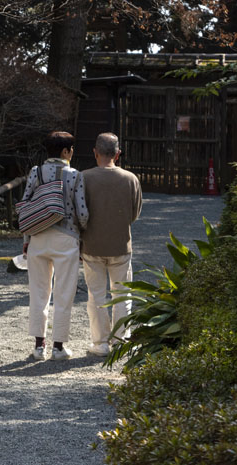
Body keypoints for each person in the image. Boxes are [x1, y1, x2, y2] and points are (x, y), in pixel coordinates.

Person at [23, 130, 88, 361]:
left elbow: (27, 205)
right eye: (71, 149)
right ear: (65, 151)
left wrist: (27, 240)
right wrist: (83, 235)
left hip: (38, 238)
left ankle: (38, 347)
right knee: (63, 294)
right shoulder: (75, 175)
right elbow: (82, 212)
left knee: (39, 294)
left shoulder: (35, 172)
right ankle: (59, 348)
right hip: (66, 239)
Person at [80, 132, 143, 356]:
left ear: (95, 152)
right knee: (122, 294)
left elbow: (80, 213)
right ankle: (120, 339)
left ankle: (100, 343)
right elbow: (134, 214)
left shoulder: (84, 177)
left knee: (95, 295)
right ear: (118, 154)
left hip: (91, 244)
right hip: (120, 244)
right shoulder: (130, 179)